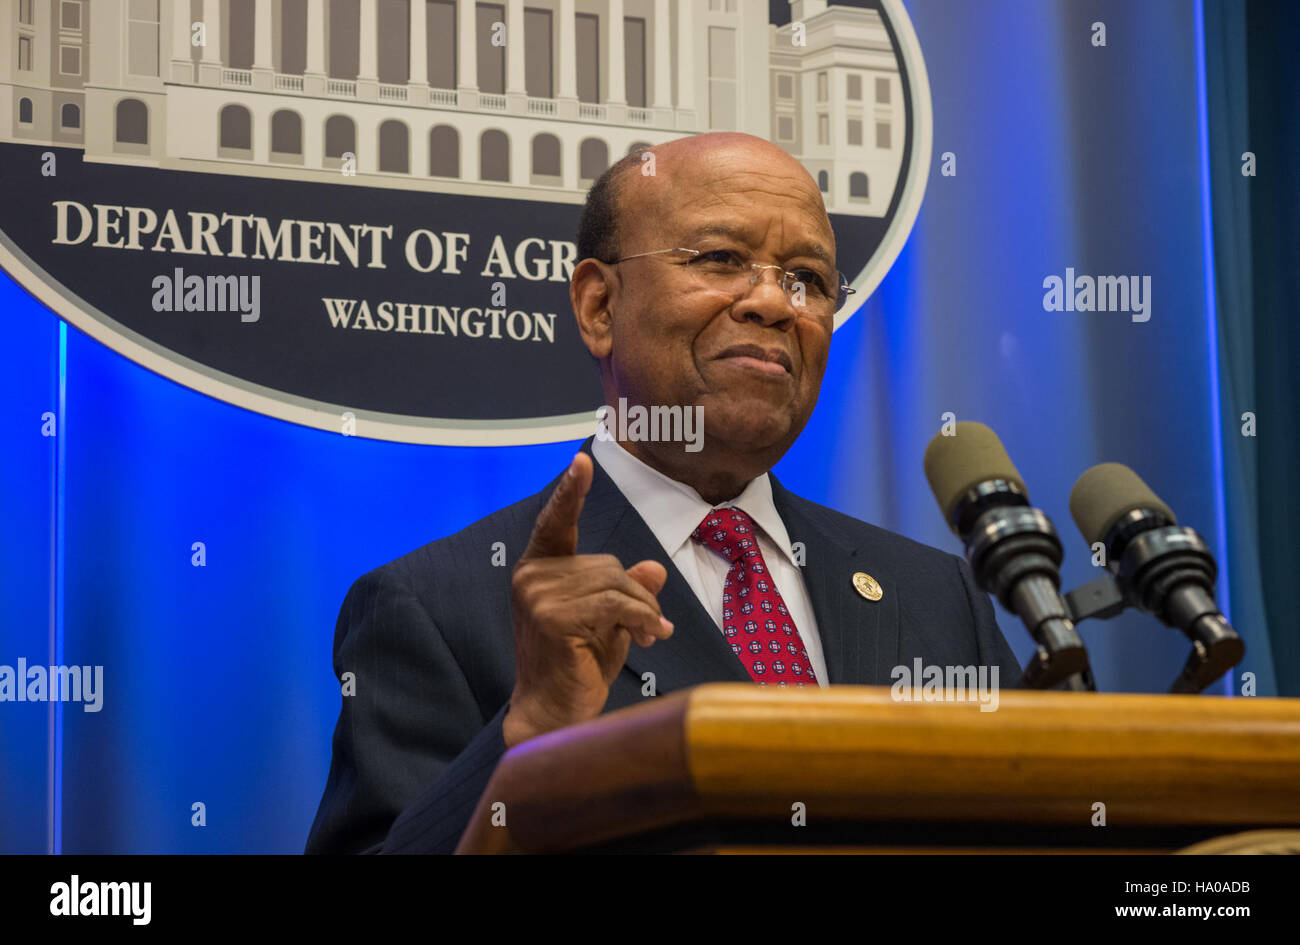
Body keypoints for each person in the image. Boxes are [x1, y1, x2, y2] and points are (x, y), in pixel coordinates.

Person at [305, 132, 1022, 855]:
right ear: (598, 306)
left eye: (807, 277)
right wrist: (527, 732)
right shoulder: (437, 609)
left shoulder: (936, 598)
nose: (776, 301)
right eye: (720, 260)